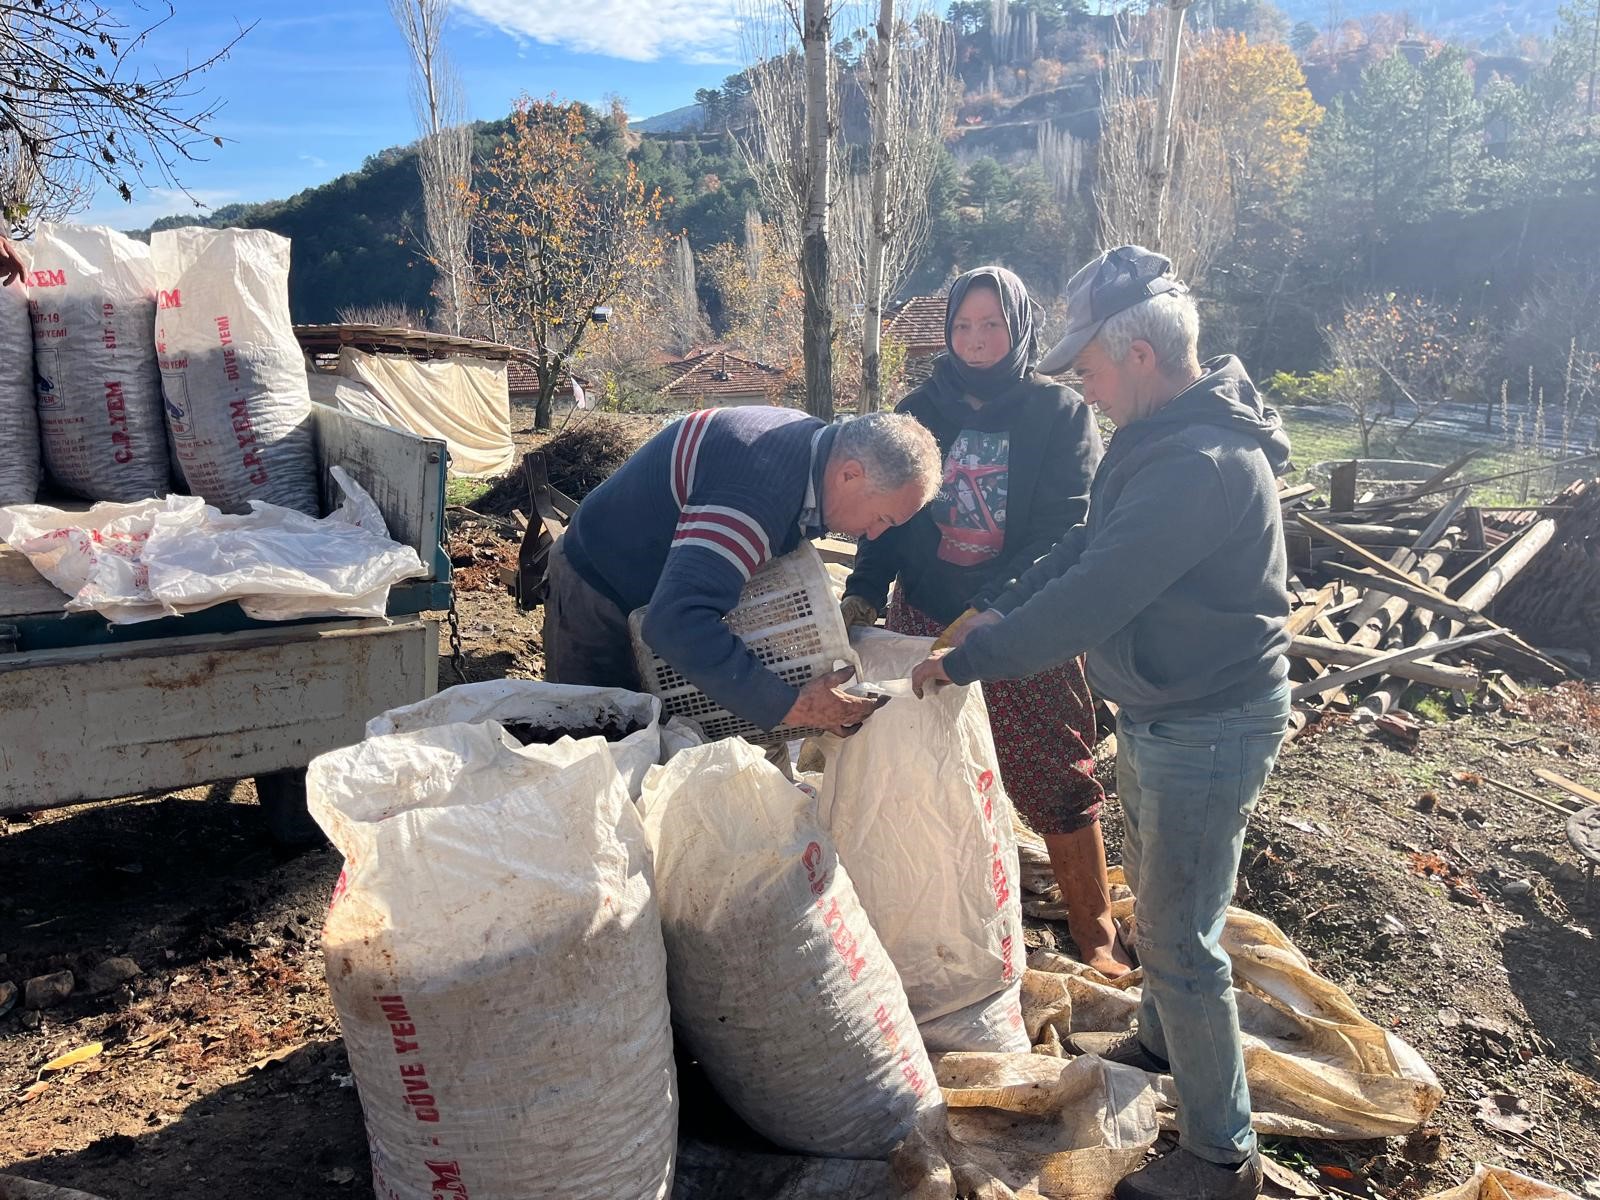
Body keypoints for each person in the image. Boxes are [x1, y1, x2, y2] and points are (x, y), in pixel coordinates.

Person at [910, 245, 1293, 1200]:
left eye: (1089, 366)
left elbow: (1094, 599)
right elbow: (1084, 544)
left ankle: (1220, 1154)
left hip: (1209, 722)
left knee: (1180, 934)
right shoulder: (1159, 435)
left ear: (1141, 357)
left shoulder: (1198, 465)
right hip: (1169, 712)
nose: (1082, 382)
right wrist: (1000, 608)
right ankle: (1164, 1041)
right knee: (1166, 905)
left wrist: (968, 659)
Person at [841, 265, 1131, 978]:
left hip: (1023, 622)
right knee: (934, 771)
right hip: (925, 618)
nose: (976, 340)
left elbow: (1066, 527)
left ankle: (1093, 930)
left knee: (1058, 769)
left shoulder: (1058, 414)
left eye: (992, 325)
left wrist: (994, 606)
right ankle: (951, 911)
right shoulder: (919, 408)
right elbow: (885, 513)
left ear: (1019, 329)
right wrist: (863, 593)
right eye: (964, 325)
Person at [545, 407, 942, 737]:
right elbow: (675, 623)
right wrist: (792, 706)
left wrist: (797, 696)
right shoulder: (756, 492)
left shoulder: (813, 453)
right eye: (882, 518)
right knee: (598, 743)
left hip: (661, 585)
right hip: (600, 586)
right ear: (850, 474)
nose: (874, 534)